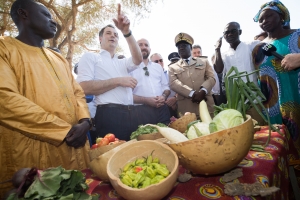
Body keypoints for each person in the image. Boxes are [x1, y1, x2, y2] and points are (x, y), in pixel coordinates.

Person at [0, 0, 92, 198]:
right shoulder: (4, 49)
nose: (54, 22)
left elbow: (77, 93)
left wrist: (85, 121)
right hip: (31, 154)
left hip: (76, 147)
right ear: (24, 14)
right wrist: (64, 130)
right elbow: (5, 99)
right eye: (46, 15)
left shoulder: (57, 57)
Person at [76, 4, 143, 141]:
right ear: (100, 39)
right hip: (109, 115)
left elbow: (138, 59)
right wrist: (119, 81)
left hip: (132, 114)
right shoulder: (90, 57)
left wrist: (126, 31)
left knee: (134, 154)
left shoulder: (122, 61)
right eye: (108, 33)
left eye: (116, 35)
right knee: (112, 157)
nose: (113, 36)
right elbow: (83, 88)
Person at [252, 0, 300, 142]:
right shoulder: (258, 49)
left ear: (281, 16)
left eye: (269, 16)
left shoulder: (298, 35)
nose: (264, 21)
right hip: (275, 112)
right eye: (261, 19)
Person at [169, 33, 216, 117]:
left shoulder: (203, 61)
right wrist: (192, 93)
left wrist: (203, 91)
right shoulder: (172, 67)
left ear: (190, 47)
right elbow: (173, 83)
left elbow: (211, 78)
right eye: (179, 46)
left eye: (184, 45)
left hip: (206, 105)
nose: (181, 48)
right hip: (187, 110)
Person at [130, 39, 170, 125]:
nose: (144, 47)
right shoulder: (129, 68)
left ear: (150, 50)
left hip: (162, 109)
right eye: (140, 45)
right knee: (147, 137)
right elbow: (127, 95)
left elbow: (166, 87)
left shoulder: (158, 67)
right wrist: (146, 100)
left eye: (146, 45)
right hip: (141, 112)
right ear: (134, 48)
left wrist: (163, 96)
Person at [150, 53, 178, 118]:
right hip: (157, 110)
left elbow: (179, 88)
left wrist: (175, 99)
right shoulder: (149, 77)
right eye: (156, 61)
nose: (159, 62)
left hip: (174, 108)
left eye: (161, 60)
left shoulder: (171, 74)